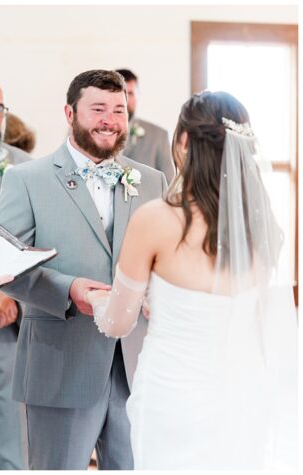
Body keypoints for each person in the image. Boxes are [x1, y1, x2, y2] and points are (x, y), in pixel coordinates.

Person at [88, 91, 298, 469]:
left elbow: (117, 322)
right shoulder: (264, 229)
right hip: (242, 398)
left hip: (172, 397)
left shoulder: (156, 219)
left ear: (184, 143)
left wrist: (95, 298)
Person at [0, 69, 166, 470]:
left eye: (119, 110)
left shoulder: (152, 181)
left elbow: (164, 261)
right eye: (98, 109)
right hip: (60, 363)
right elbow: (7, 265)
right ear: (70, 113)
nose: (110, 120)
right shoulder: (26, 179)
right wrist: (69, 290)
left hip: (136, 368)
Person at [0, 79, 30, 471]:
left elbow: (35, 237)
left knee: (9, 396)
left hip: (9, 304)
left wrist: (9, 293)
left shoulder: (25, 166)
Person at [116, 69, 175, 183]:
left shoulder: (159, 135)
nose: (125, 100)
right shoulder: (94, 132)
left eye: (130, 93)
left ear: (138, 95)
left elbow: (169, 184)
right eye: (120, 93)